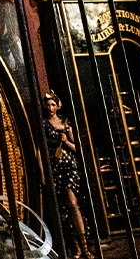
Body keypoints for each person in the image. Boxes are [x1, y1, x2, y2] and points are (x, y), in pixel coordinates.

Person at [44, 91, 93, 259]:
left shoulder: (66, 124)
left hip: (70, 167)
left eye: (53, 104)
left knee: (73, 203)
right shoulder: (44, 125)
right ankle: (77, 248)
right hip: (55, 169)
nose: (50, 108)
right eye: (48, 105)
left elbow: (77, 148)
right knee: (64, 209)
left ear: (58, 106)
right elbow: (39, 150)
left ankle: (85, 246)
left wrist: (66, 142)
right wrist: (43, 172)